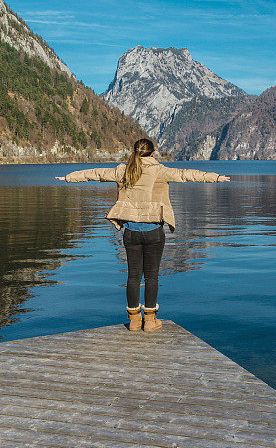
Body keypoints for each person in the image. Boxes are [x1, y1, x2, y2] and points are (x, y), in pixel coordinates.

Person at [56, 138, 229, 332]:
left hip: (131, 233)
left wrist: (69, 177)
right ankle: (150, 321)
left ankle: (134, 320)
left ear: (135, 151)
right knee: (152, 277)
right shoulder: (159, 170)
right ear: (153, 153)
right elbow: (186, 174)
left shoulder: (123, 170)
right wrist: (215, 177)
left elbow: (95, 173)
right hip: (154, 232)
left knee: (133, 276)